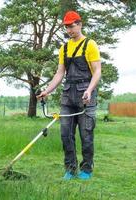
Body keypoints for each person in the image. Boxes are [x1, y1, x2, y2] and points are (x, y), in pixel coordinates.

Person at [36, 10, 101, 180]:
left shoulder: (90, 45)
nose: (69, 30)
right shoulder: (63, 48)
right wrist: (47, 90)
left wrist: (89, 90)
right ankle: (70, 169)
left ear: (80, 24)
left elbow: (97, 72)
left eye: (72, 26)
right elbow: (59, 74)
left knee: (86, 134)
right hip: (67, 94)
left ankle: (86, 169)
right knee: (66, 134)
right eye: (67, 27)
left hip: (86, 95)